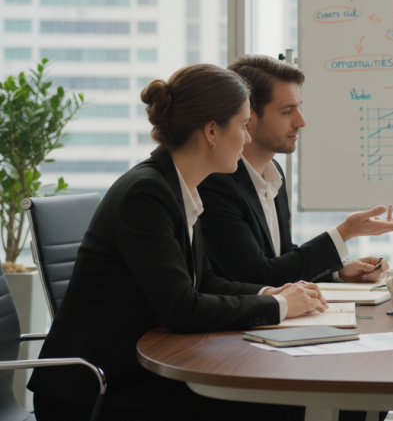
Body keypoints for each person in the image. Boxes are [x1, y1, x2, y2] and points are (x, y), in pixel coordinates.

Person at [28, 65, 346, 421]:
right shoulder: (146, 194)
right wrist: (279, 307)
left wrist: (272, 294)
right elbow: (181, 309)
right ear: (211, 131)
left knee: (295, 402)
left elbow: (206, 281)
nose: (246, 139)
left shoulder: (179, 187)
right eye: (242, 126)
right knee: (281, 408)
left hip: (142, 372)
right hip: (100, 391)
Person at [198, 54, 393, 288]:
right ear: (248, 116)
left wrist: (339, 272)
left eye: (298, 108)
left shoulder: (273, 173)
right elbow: (257, 277)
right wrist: (344, 232)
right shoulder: (215, 183)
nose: (301, 121)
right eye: (287, 111)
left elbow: (281, 260)